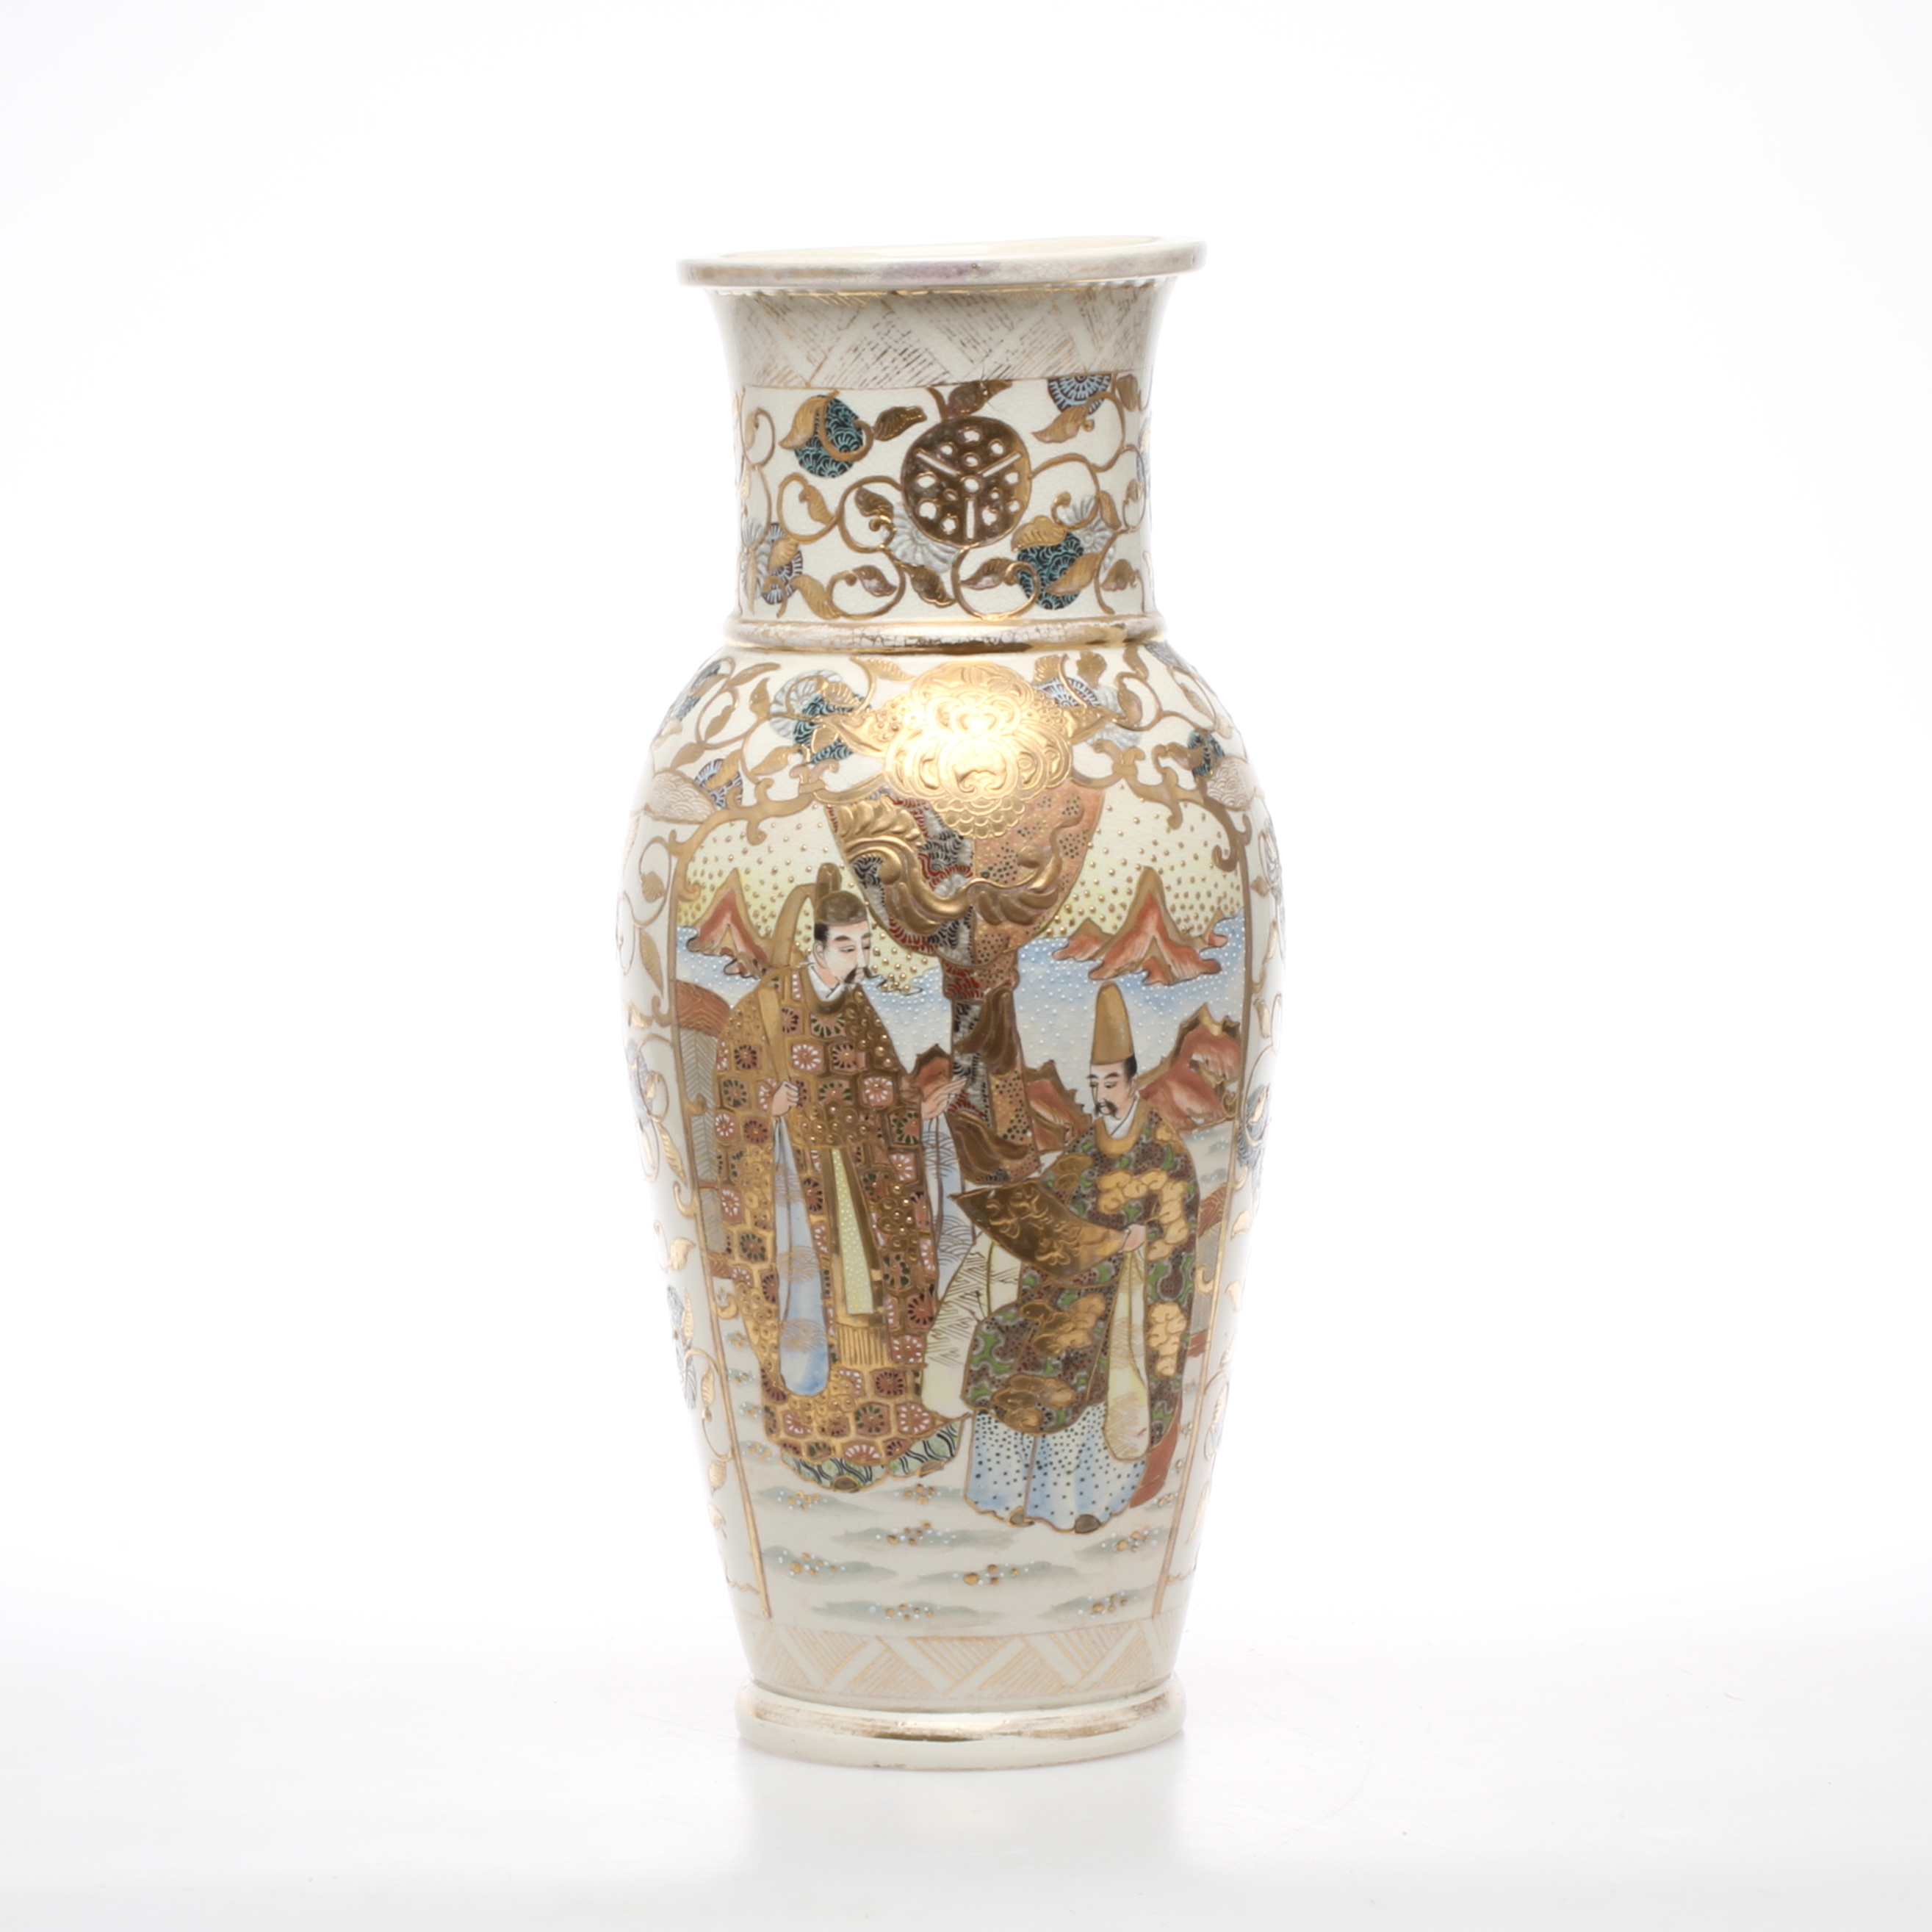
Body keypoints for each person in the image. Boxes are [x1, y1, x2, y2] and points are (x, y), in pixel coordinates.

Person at [710, 879, 965, 1490]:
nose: (860, 958)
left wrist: (918, 1112)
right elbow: (732, 1094)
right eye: (848, 947)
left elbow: (884, 1090)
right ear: (818, 947)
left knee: (881, 1301)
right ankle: (819, 1439)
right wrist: (767, 1110)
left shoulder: (856, 1009)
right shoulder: (765, 1008)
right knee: (816, 1310)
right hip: (798, 1189)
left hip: (864, 1187)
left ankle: (897, 1429)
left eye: (866, 946)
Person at [959, 984, 1198, 1532]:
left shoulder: (1164, 1151)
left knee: (1077, 1367)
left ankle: (1085, 1503)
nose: (1102, 1095)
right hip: (1063, 1289)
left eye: (1110, 1083)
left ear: (1133, 1081)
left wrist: (1141, 1240)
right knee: (1003, 1338)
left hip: (1122, 1302)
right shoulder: (1086, 1146)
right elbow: (1050, 1203)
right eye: (1095, 1084)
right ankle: (1004, 1495)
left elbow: (1177, 1228)